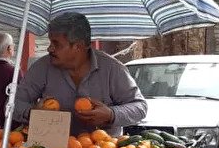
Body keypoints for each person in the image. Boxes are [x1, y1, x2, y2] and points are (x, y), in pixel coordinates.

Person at [14, 12, 146, 136]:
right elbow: (13, 104)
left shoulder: (112, 69)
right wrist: (33, 113)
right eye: (50, 42)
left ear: (78, 46)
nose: (49, 48)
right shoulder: (41, 68)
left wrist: (111, 114)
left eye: (56, 44)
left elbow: (139, 107)